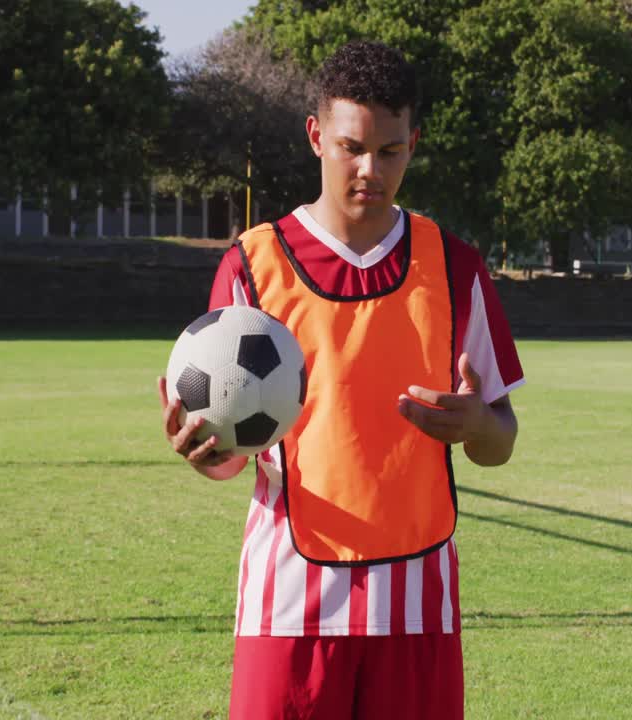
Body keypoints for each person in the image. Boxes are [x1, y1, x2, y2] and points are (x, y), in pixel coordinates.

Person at [158, 40, 524, 720]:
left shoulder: (456, 267)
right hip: (288, 602)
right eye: (351, 147)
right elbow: (232, 464)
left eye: (390, 151)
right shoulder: (251, 266)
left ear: (413, 143)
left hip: (419, 604)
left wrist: (478, 425)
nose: (369, 169)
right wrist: (202, 450)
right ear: (315, 135)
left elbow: (500, 437)